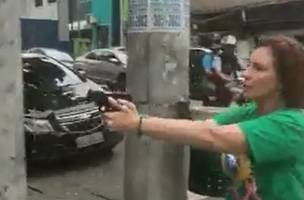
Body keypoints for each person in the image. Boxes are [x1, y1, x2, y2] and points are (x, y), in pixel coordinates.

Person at [103, 35, 304, 200]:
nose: (246, 74)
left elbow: (214, 136)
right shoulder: (252, 109)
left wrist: (139, 123)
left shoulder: (292, 124)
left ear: (283, 80)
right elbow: (206, 126)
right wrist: (136, 117)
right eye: (249, 64)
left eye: (259, 68)